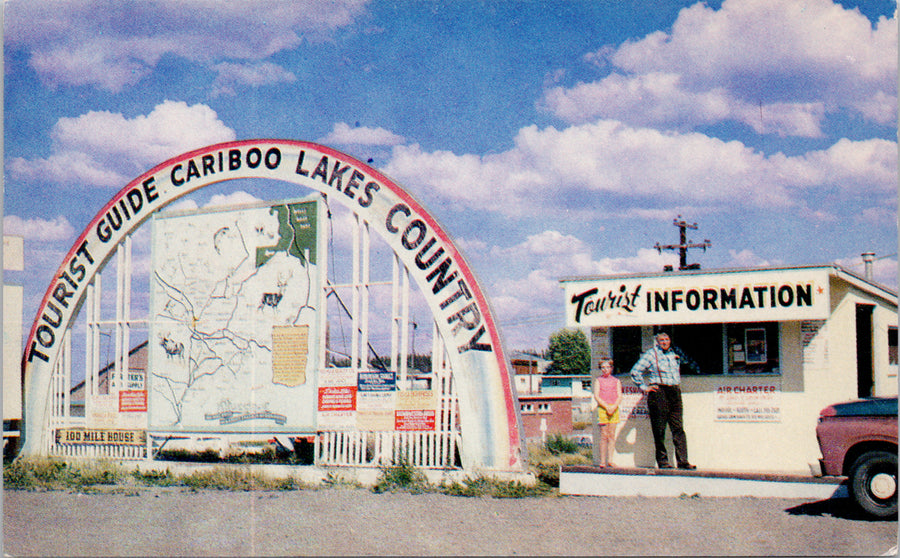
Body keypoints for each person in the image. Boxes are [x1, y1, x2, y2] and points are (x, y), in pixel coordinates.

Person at [629, 331, 699, 470]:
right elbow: (635, 371)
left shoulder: (675, 352)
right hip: (659, 392)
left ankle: (683, 461)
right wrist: (644, 387)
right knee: (659, 429)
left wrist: (682, 359)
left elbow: (691, 363)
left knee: (678, 427)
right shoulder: (651, 354)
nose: (665, 342)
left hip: (674, 391)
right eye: (662, 340)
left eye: (667, 339)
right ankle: (663, 461)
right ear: (657, 341)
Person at [592, 358, 622, 468]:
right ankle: (602, 461)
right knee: (604, 435)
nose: (605, 370)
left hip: (614, 409)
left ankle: (610, 460)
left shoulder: (616, 381)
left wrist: (613, 407)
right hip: (603, 410)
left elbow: (619, 396)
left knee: (611, 435)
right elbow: (596, 396)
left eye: (607, 367)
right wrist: (606, 407)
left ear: (611, 368)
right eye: (603, 368)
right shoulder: (598, 380)